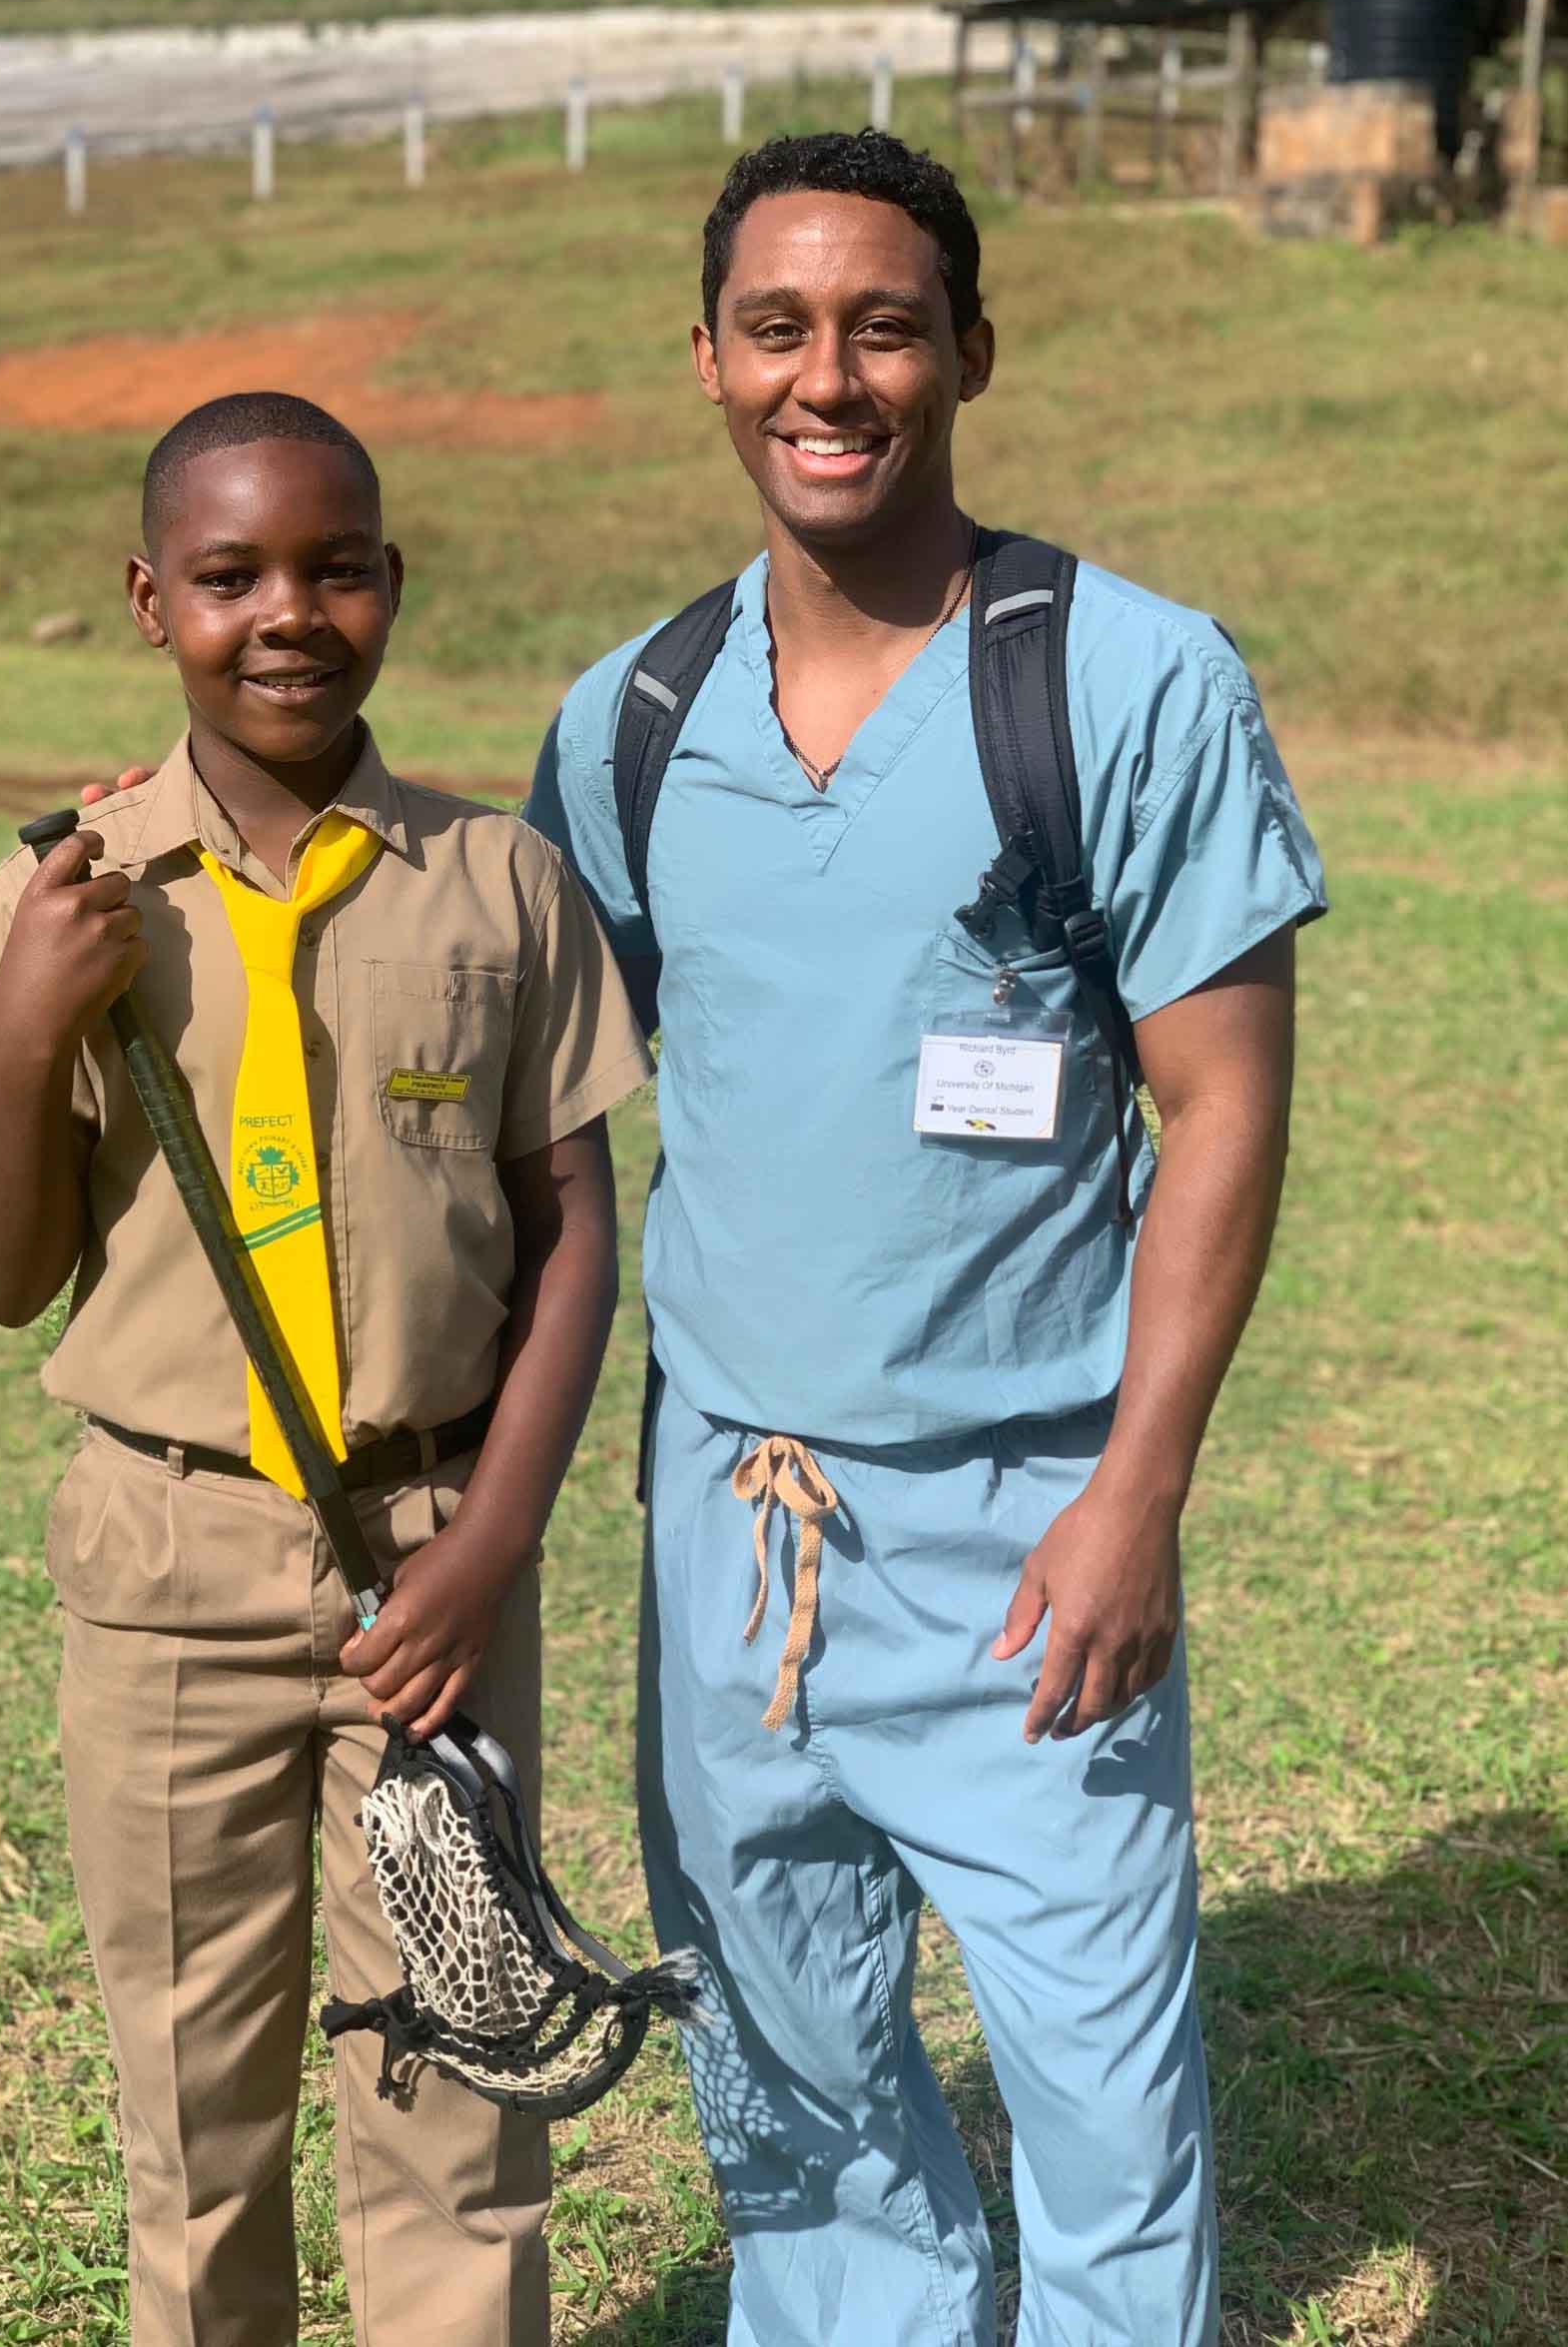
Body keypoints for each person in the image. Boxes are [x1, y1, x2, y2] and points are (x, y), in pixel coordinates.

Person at [520, 132, 1326, 2345]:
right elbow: (564, 1130)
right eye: (775, 327)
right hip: (729, 1521)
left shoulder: (1121, 682)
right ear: (703, 360)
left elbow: (1222, 1104)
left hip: (1025, 1526)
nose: (828, 376)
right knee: (783, 2068)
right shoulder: (625, 725)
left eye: (881, 325)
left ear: (967, 346)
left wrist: (1133, 1498)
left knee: (1098, 2084)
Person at [0, 390, 651, 2347]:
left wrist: (488, 1548)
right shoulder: (71, 893)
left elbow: (574, 1225)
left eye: (335, 567)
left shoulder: (495, 886)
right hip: (170, 1585)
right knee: (196, 2115)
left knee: (458, 2097)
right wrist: (19, 1040)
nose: (287, 613)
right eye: (231, 575)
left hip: (432, 1574)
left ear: (391, 588)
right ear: (152, 600)